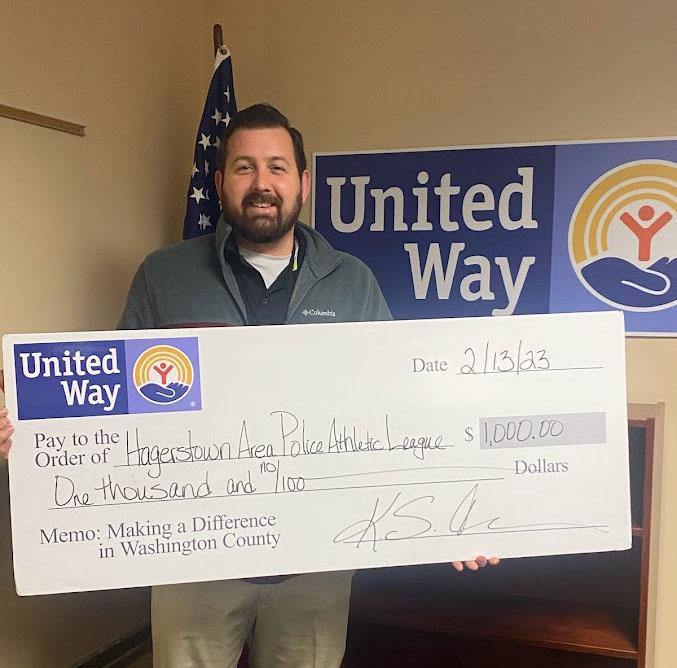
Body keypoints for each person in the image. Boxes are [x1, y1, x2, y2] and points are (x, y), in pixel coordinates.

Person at [0, 103, 497, 668]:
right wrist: (33, 434)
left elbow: (402, 408)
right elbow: (110, 402)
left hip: (315, 563)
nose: (262, 183)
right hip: (194, 560)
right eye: (244, 167)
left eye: (277, 167)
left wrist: (457, 516)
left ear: (302, 182)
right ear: (219, 184)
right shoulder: (164, 276)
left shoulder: (352, 283)